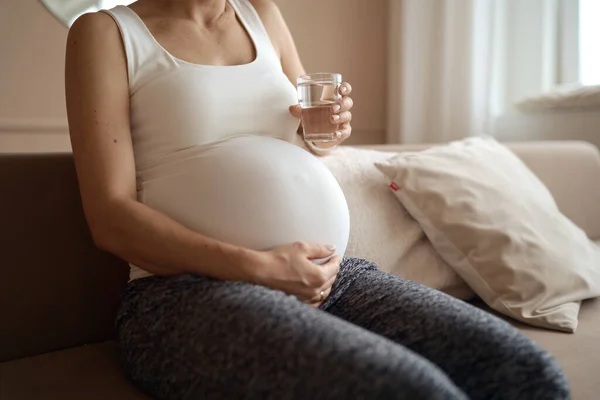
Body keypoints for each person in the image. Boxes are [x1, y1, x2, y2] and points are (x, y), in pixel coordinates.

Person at [64, 0, 569, 399]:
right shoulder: (105, 33)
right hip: (182, 296)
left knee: (521, 369)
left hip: (330, 277)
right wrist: (255, 267)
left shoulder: (262, 15)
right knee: (404, 391)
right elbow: (109, 216)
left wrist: (324, 131)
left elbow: (309, 135)